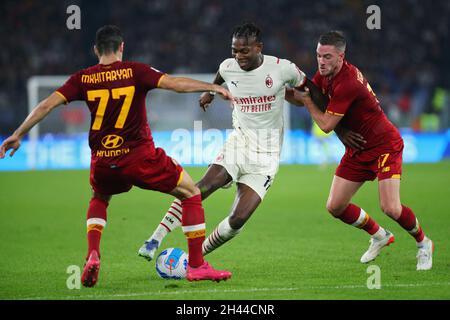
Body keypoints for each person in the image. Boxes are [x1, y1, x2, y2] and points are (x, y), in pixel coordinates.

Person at [0, 25, 234, 287]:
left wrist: (18, 133)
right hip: (139, 157)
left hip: (102, 160)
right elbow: (176, 84)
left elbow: (46, 105)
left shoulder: (83, 78)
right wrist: (214, 88)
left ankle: (92, 254)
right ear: (121, 47)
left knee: (100, 197)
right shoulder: (136, 71)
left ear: (96, 50)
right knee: (191, 193)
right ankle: (196, 265)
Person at [137, 22, 362, 261]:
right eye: (234, 50)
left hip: (267, 156)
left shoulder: (283, 69)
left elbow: (313, 94)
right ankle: (155, 238)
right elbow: (220, 76)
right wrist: (210, 93)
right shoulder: (228, 66)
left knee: (237, 220)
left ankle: (198, 255)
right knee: (201, 188)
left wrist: (341, 129)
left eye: (244, 51)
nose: (238, 56)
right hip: (239, 143)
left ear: (258, 48)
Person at [295, 31, 433, 270]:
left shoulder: (347, 82)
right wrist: (278, 89)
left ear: (341, 56)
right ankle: (380, 235)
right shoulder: (325, 75)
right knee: (335, 206)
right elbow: (306, 97)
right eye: (318, 55)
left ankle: (424, 243)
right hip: (357, 148)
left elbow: (325, 123)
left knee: (390, 207)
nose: (321, 61)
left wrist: (306, 100)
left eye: (327, 56)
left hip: (384, 146)